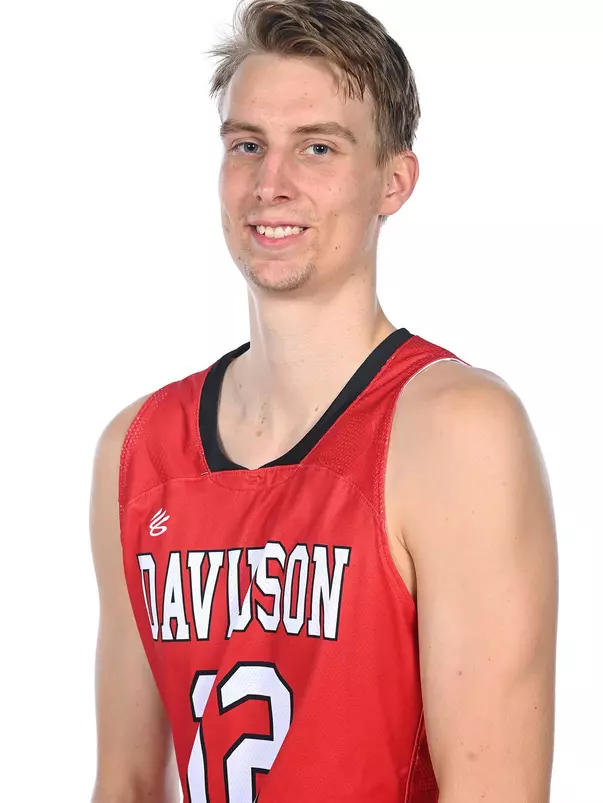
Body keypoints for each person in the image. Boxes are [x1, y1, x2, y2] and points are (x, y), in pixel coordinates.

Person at [89, 1, 559, 801]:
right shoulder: (136, 449)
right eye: (247, 145)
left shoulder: (456, 431)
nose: (270, 184)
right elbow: (126, 783)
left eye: (316, 148)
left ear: (393, 182)